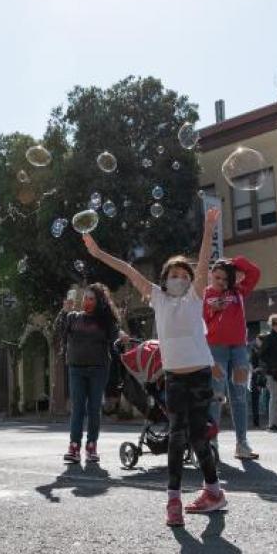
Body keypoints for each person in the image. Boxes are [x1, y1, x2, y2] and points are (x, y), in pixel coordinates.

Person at [85, 208, 226, 526]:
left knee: (199, 437)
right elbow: (127, 269)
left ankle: (213, 492)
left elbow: (203, 262)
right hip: (174, 377)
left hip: (200, 374)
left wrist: (208, 228)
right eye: (174, 275)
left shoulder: (194, 296)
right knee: (177, 436)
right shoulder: (157, 297)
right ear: (164, 280)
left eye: (184, 275)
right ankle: (173, 500)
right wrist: (96, 252)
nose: (180, 278)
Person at [54, 283, 122, 464]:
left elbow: (115, 335)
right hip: (76, 369)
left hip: (99, 369)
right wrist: (63, 311)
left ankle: (91, 446)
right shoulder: (73, 317)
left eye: (91, 298)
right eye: (85, 298)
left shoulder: (105, 321)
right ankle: (74, 447)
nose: (87, 301)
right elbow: (59, 329)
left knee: (94, 409)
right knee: (77, 408)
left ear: (99, 301)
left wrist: (121, 336)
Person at [203, 256, 261, 460]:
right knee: (216, 396)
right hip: (215, 350)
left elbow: (254, 273)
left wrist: (234, 262)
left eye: (224, 278)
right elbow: (199, 321)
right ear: (211, 275)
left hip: (239, 350)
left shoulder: (238, 291)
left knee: (239, 396)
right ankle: (211, 443)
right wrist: (212, 309)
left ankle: (242, 444)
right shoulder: (205, 295)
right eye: (216, 277)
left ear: (230, 279)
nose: (219, 281)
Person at [256, 315, 277, 432]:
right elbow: (262, 355)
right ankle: (272, 424)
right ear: (271, 325)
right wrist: (275, 366)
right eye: (276, 323)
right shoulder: (268, 338)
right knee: (275, 397)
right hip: (272, 372)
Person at [248, 338, 265, 429]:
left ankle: (267, 422)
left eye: (260, 340)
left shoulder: (265, 350)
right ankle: (256, 422)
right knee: (255, 400)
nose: (258, 342)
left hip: (264, 375)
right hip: (256, 376)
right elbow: (250, 364)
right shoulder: (253, 351)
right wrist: (254, 370)